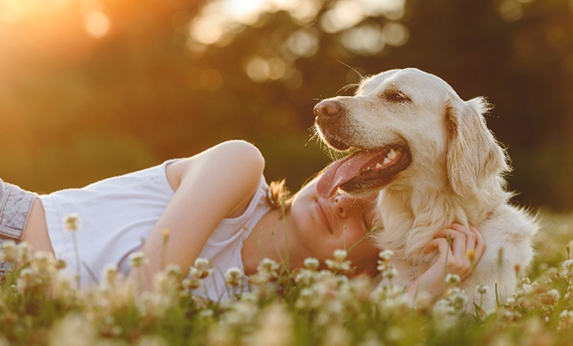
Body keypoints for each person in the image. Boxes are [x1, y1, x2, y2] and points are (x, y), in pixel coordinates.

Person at [0, 140, 485, 300]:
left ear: (365, 271)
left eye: (366, 220)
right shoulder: (240, 168)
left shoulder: (269, 310)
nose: (342, 201)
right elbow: (143, 293)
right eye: (350, 182)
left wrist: (430, 287)